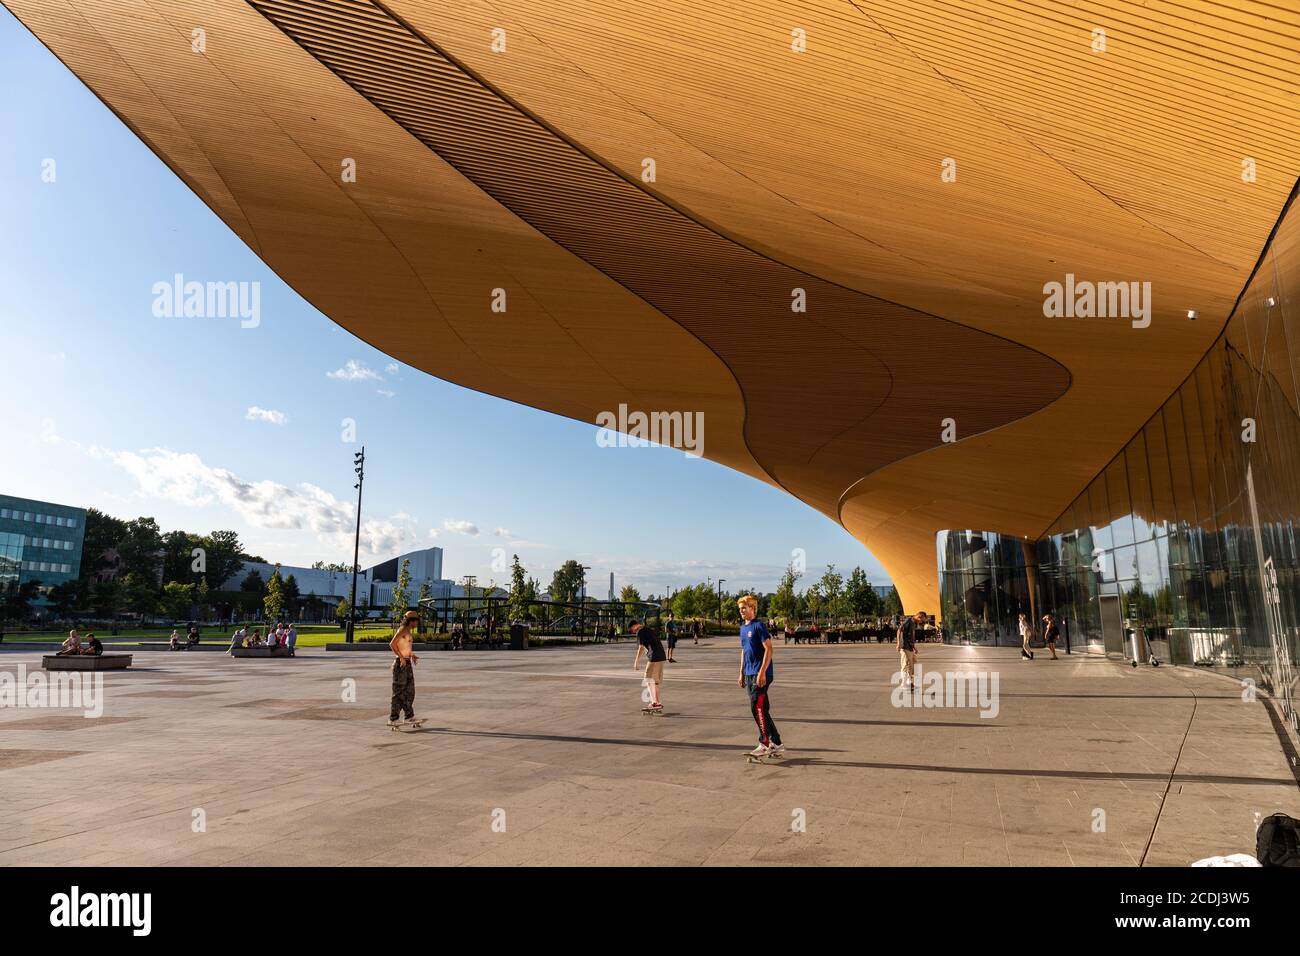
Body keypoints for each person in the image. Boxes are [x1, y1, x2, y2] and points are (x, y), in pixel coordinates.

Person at [737, 594, 783, 758]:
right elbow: (744, 650)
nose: (742, 611)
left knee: (756, 708)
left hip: (761, 674)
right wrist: (741, 672)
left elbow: (769, 649)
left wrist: (762, 671)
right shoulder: (743, 628)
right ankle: (776, 743)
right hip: (749, 674)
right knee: (762, 709)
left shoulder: (759, 626)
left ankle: (764, 743)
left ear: (753, 609)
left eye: (745, 608)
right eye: (740, 608)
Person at [387, 610, 421, 727]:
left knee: (409, 691)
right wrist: (401, 657)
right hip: (401, 665)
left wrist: (411, 655)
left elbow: (404, 646)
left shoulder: (408, 631)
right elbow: (392, 644)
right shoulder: (402, 630)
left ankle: (409, 716)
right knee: (398, 692)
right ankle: (393, 718)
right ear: (411, 621)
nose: (417, 623)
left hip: (407, 663)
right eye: (416, 620)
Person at [631, 622, 666, 710]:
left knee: (648, 679)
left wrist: (636, 661)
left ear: (635, 626)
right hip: (661, 656)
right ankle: (658, 702)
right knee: (655, 681)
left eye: (632, 630)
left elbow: (641, 647)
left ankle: (654, 703)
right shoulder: (649, 629)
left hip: (654, 657)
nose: (633, 632)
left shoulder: (640, 631)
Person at [897, 611, 923, 689]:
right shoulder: (908, 620)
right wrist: (899, 643)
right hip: (904, 646)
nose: (921, 621)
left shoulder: (914, 623)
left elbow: (911, 636)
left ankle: (909, 682)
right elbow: (899, 630)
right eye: (922, 620)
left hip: (910, 646)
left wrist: (914, 647)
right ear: (919, 616)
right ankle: (904, 684)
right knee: (906, 664)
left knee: (913, 664)